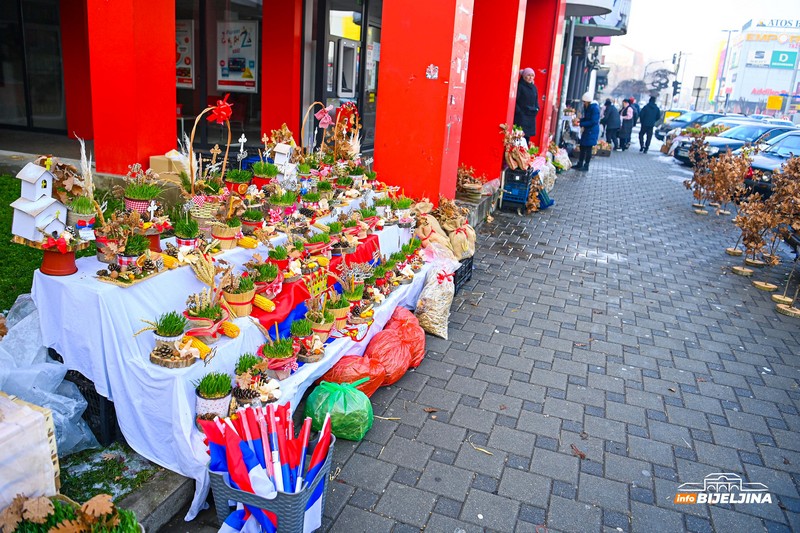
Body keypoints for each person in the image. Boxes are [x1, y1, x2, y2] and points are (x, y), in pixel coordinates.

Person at [575, 92, 600, 172]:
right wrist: (580, 121)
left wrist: (581, 123)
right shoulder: (589, 107)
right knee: (582, 147)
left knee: (588, 148)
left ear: (588, 101)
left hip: (591, 131)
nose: (583, 103)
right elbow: (587, 118)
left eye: (584, 102)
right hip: (588, 130)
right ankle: (580, 163)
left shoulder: (594, 108)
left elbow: (593, 121)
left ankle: (586, 166)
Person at [514, 68, 540, 141]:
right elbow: (515, 100)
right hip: (521, 117)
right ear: (524, 76)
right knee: (520, 137)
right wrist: (519, 111)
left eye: (532, 75)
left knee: (527, 138)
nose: (530, 77)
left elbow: (536, 100)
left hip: (531, 116)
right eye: (528, 75)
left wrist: (537, 108)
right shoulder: (520, 86)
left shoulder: (534, 87)